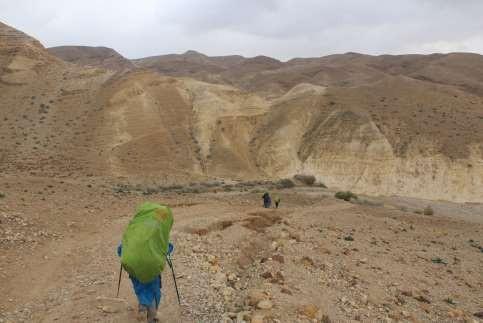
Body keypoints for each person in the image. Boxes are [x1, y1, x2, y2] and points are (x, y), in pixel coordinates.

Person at [117, 202, 174, 323]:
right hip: (151, 267)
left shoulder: (135, 229)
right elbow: (167, 249)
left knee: (140, 288)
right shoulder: (158, 233)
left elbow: (120, 250)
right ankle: (151, 318)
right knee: (154, 292)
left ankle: (142, 308)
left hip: (131, 264)